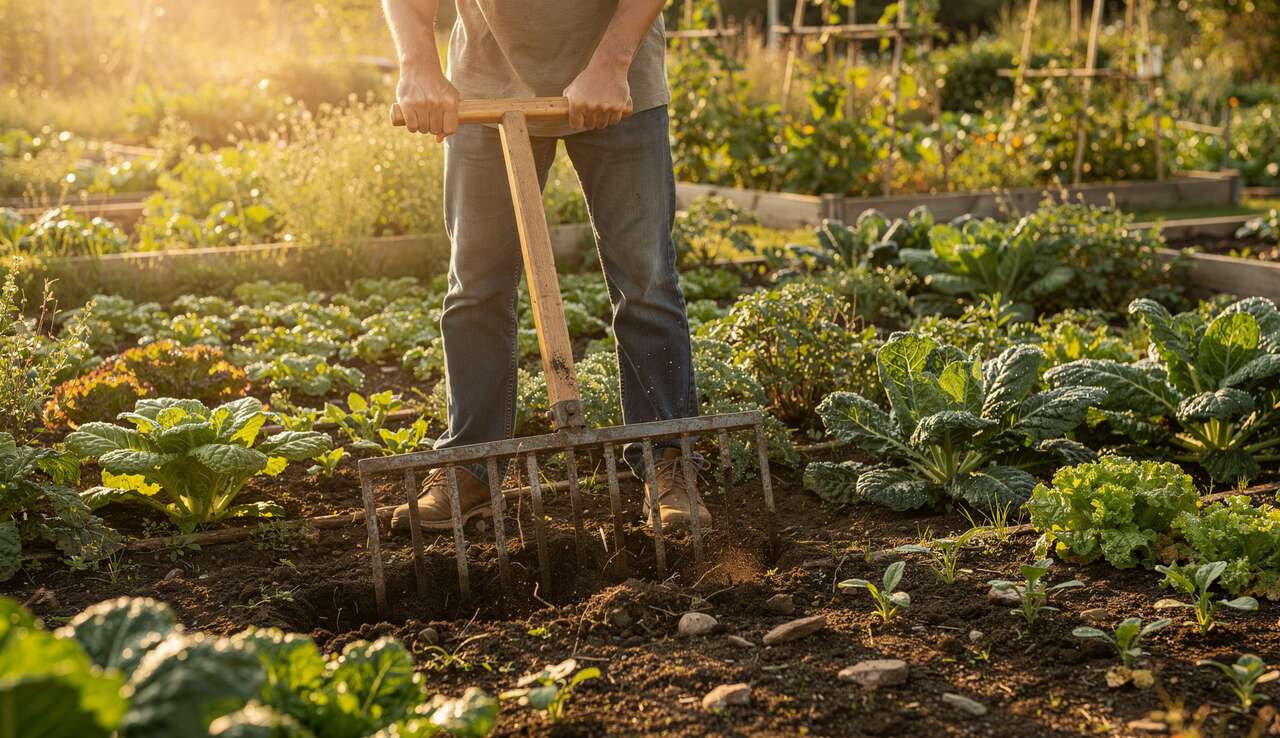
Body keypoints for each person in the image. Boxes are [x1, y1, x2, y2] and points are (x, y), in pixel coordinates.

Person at [382, 0, 708, 533]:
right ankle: (471, 466)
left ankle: (666, 460)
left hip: (617, 83)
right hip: (484, 85)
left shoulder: (615, 71)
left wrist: (611, 64)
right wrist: (418, 66)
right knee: (476, 285)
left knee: (646, 281)